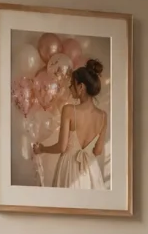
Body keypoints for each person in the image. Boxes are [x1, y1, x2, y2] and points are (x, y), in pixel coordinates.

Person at [33, 59, 107, 189]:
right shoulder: (103, 116)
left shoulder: (69, 110)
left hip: (69, 169)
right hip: (91, 170)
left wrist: (42, 149)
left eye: (72, 84)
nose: (69, 87)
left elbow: (62, 147)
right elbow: (98, 150)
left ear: (81, 87)